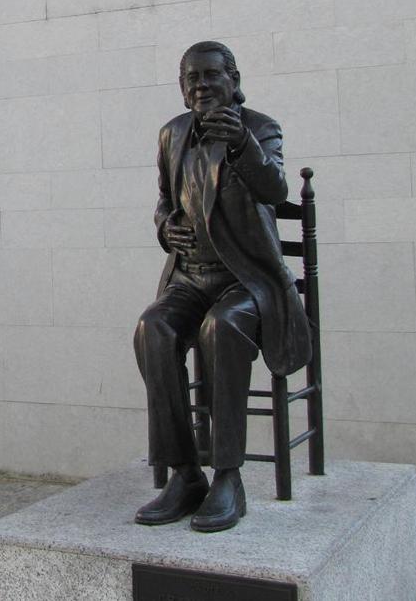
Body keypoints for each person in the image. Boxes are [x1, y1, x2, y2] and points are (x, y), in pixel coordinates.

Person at [133, 41, 311, 533]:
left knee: (222, 329)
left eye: (212, 75)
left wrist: (241, 147)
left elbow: (275, 190)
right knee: (153, 328)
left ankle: (228, 476)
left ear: (233, 79)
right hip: (190, 276)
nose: (201, 85)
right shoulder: (173, 134)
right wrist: (165, 226)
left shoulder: (259, 128)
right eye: (191, 78)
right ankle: (185, 473)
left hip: (246, 279)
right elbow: (165, 202)